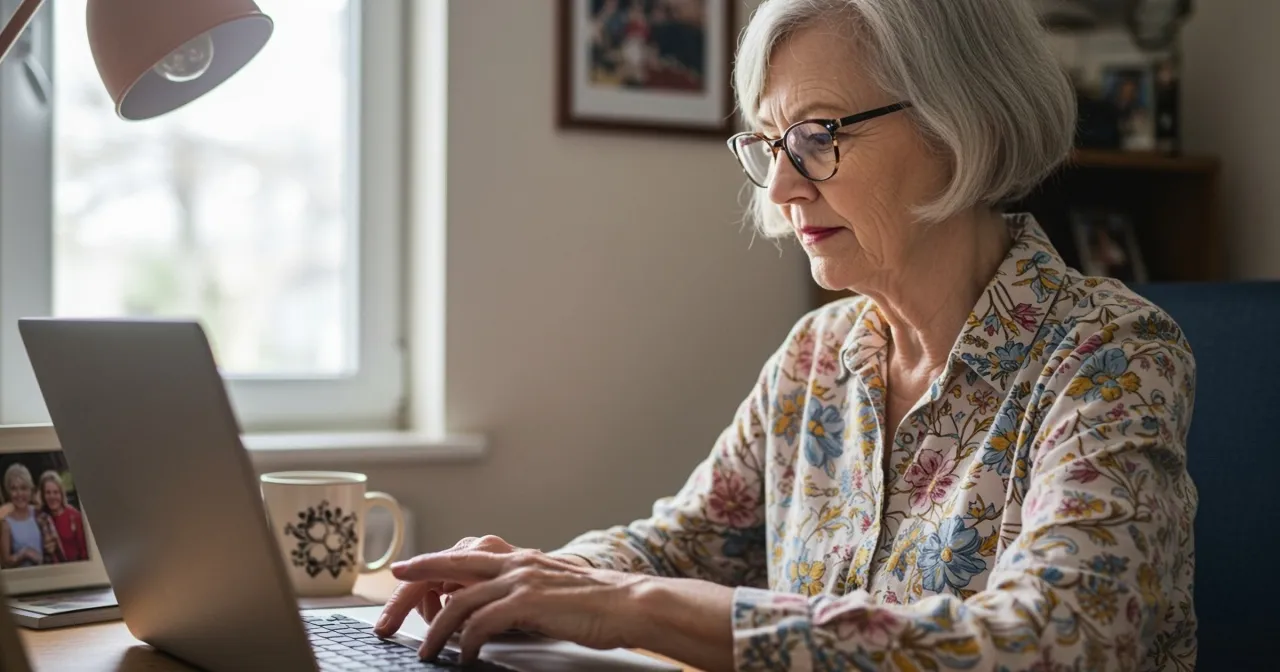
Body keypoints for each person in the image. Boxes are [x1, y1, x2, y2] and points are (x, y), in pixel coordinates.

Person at [376, 0, 1197, 670]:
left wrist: (631, 608)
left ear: (963, 121)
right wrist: (542, 576)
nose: (780, 186)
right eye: (770, 143)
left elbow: (1054, 642)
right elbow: (681, 545)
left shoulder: (1112, 353)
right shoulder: (816, 354)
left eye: (818, 134)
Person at [1, 464, 53, 568]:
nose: (19, 494)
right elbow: (4, 562)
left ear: (30, 490)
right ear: (8, 492)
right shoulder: (6, 523)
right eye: (14, 489)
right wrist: (24, 554)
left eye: (23, 488)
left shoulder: (39, 514)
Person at [38, 471, 86, 563]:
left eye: (55, 492)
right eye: (48, 493)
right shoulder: (42, 519)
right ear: (43, 496)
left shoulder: (74, 516)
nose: (52, 497)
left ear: (61, 494)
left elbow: (84, 551)